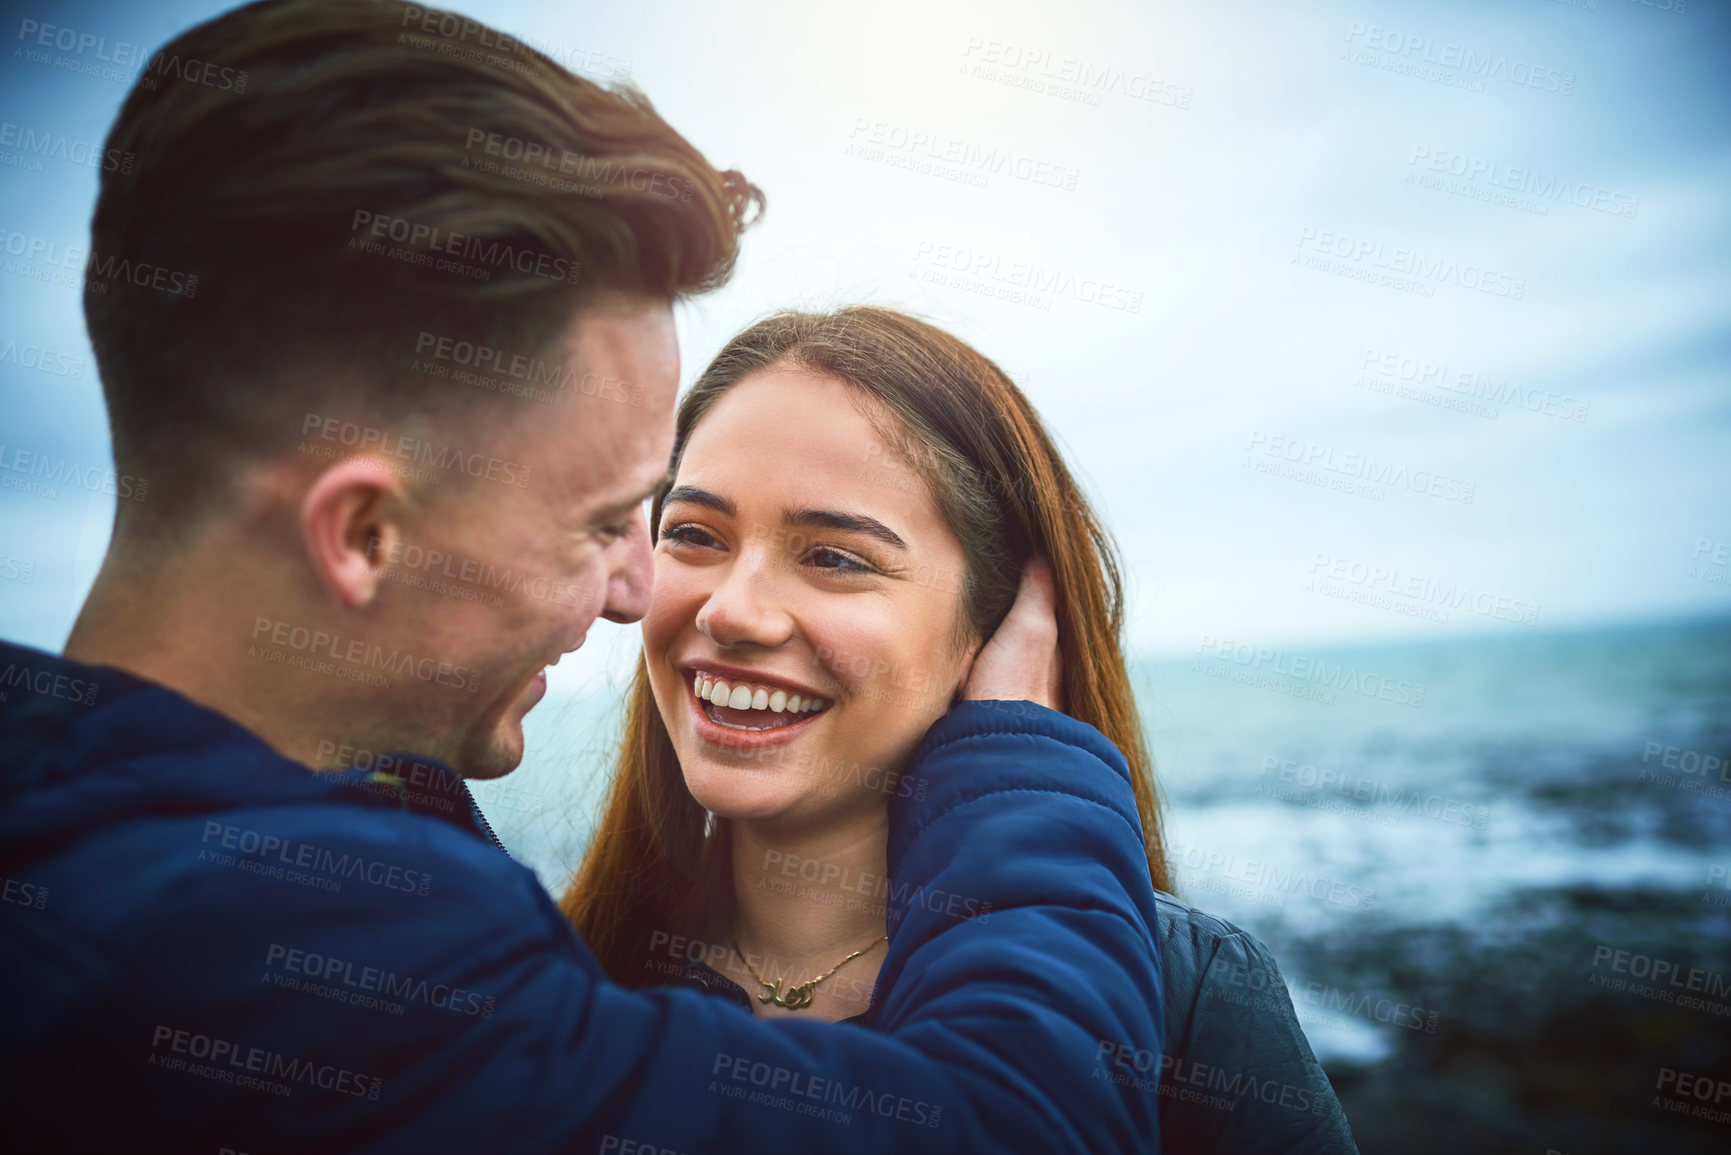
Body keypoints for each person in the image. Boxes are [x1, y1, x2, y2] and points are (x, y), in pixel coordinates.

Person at [0, 2, 1165, 1152]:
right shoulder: (356, 962)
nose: (639, 590)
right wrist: (1018, 755)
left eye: (835, 556)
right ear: (359, 535)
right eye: (611, 521)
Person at [564, 307, 1360, 1153]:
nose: (732, 610)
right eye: (692, 534)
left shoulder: (1192, 993)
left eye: (833, 555)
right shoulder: (549, 983)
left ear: (1001, 621)